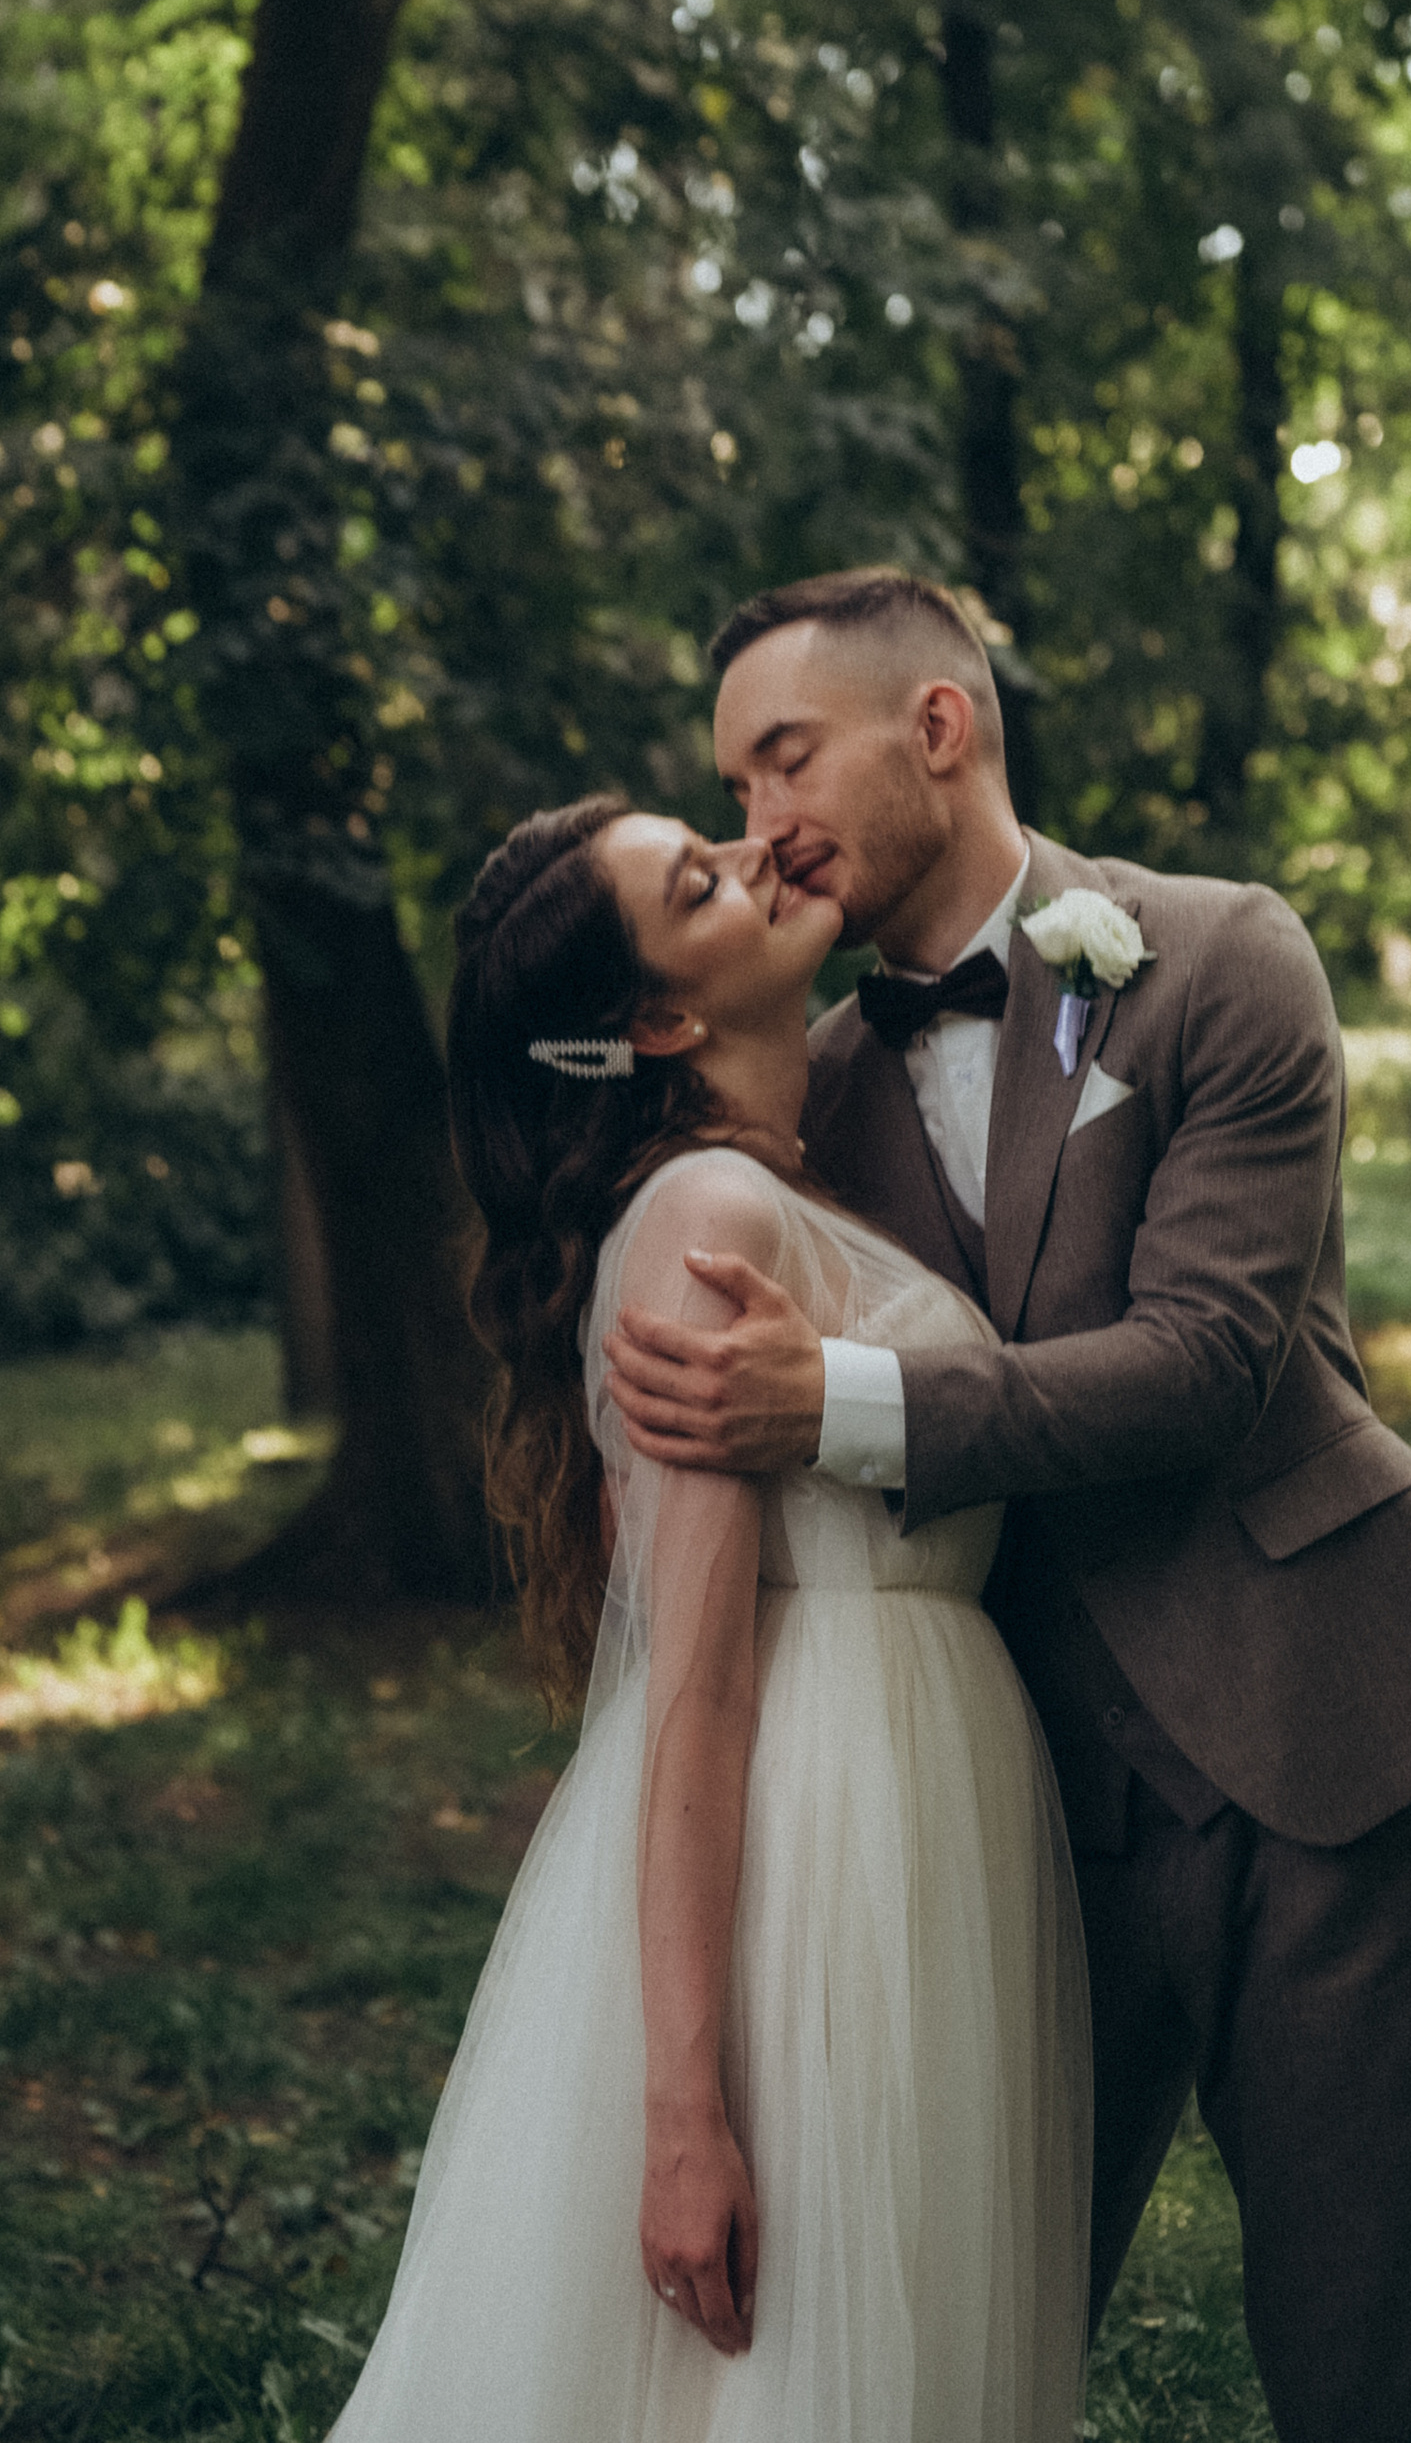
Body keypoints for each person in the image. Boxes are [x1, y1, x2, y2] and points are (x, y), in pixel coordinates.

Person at [603, 568, 1411, 2443]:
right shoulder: (814, 1081)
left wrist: (841, 1404)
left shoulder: (1222, 957)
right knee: (965, 2343)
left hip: (1319, 1734)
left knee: (1368, 2366)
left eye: (783, 759)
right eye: (727, 787)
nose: (757, 824)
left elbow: (1207, 1360)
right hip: (1017, 1809)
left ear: (938, 729)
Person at [330, 792, 1090, 2443]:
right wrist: (686, 2104)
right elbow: (693, 1690)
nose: (761, 854)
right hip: (816, 1844)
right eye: (705, 878)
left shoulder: (768, 1188)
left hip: (910, 1804)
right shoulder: (706, 1223)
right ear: (664, 1017)